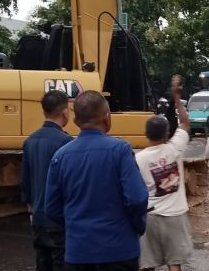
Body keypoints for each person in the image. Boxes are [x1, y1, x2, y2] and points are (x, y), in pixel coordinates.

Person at [44, 91, 148, 270]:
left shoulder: (60, 157)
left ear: (76, 121)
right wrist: (137, 227)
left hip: (78, 253)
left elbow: (51, 208)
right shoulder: (120, 150)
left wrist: (75, 227)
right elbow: (137, 198)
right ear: (107, 117)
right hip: (120, 251)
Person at [136, 75, 194, 271]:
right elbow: (185, 124)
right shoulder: (174, 148)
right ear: (167, 133)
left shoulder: (139, 159)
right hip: (175, 216)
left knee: (148, 264)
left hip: (150, 216)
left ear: (146, 135)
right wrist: (177, 98)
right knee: (174, 263)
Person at [21, 90, 73, 271]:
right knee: (61, 264)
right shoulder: (66, 143)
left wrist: (31, 207)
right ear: (65, 112)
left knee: (42, 263)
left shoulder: (30, 141)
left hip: (38, 218)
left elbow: (26, 180)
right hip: (59, 219)